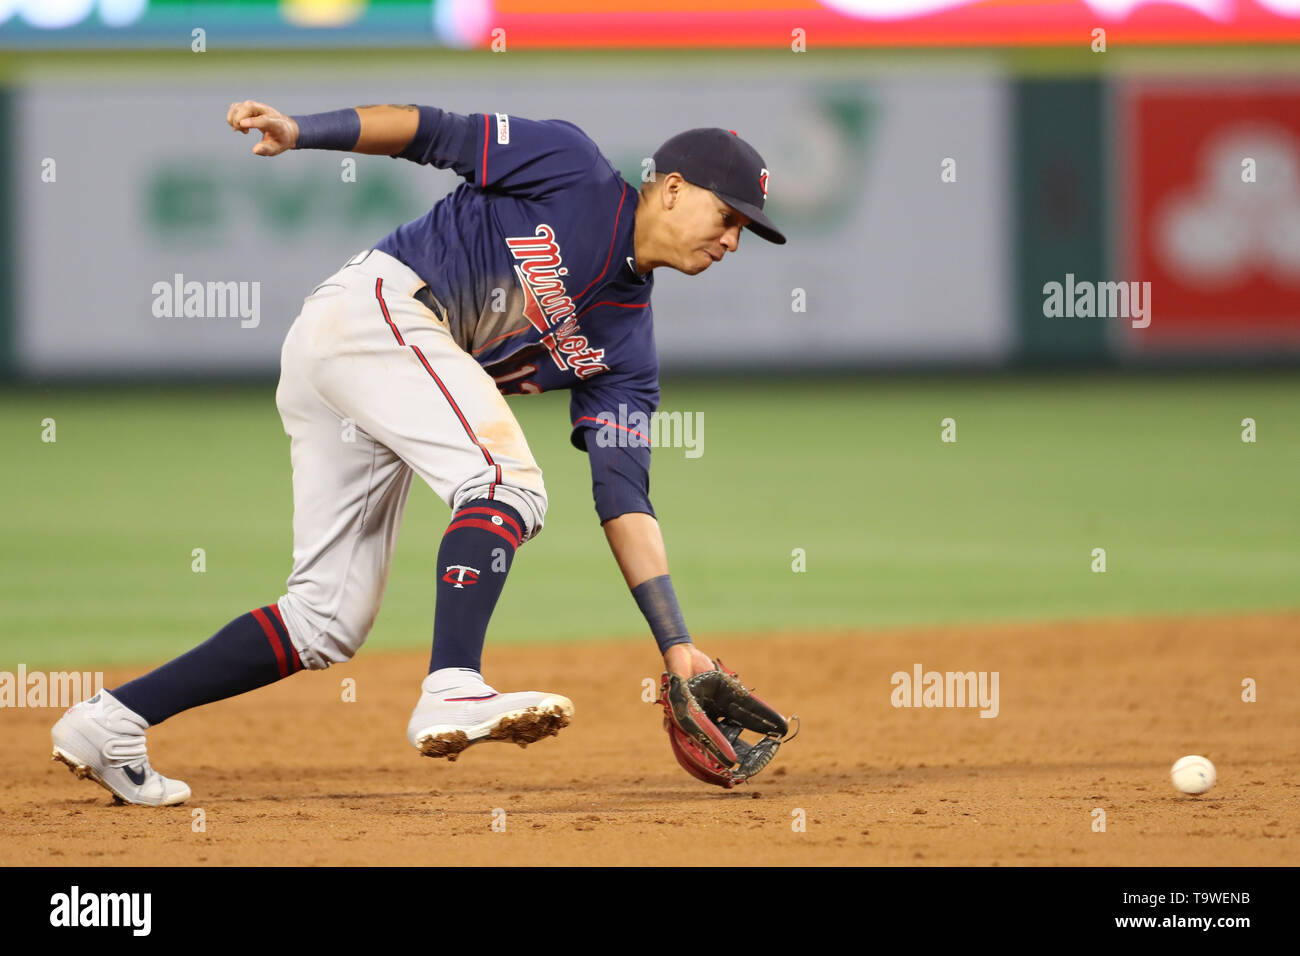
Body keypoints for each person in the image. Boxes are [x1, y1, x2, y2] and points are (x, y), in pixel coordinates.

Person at [50, 101, 786, 806]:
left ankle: (112, 721)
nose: (731, 242)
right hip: (377, 309)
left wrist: (677, 644)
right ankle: (454, 683)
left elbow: (623, 494)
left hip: (374, 370)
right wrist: (305, 130)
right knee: (503, 480)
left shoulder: (625, 348)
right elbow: (435, 131)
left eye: (744, 232)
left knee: (325, 620)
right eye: (728, 217)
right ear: (676, 189)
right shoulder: (574, 168)